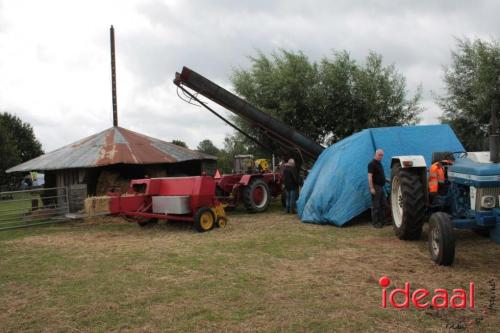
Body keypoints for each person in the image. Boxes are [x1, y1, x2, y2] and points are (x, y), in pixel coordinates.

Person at [368, 149, 388, 228]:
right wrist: (371, 188)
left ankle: (382, 221)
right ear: (375, 154)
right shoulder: (371, 164)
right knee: (376, 206)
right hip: (375, 186)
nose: (381, 156)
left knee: (384, 205)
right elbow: (370, 177)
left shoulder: (380, 164)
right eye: (379, 155)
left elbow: (381, 176)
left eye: (382, 155)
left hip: (381, 187)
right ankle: (375, 223)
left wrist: (389, 180)